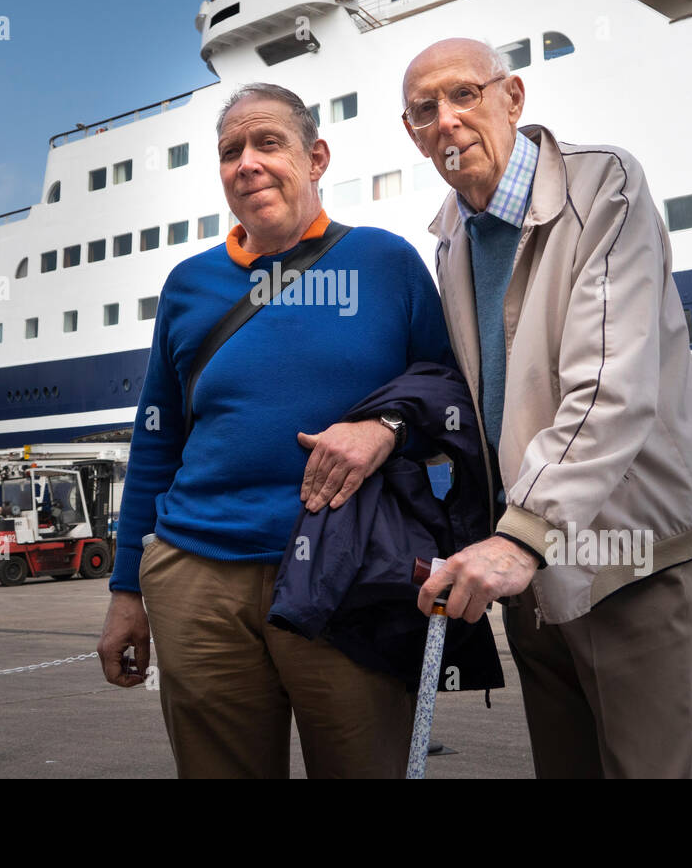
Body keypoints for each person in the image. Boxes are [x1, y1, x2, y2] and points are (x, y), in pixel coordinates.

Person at [97, 82, 457, 779]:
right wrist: (125, 591)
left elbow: (448, 404)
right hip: (198, 574)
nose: (248, 163)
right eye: (232, 151)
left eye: (268, 143)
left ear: (316, 156)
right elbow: (156, 443)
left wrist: (386, 428)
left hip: (348, 569)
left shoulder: (387, 264)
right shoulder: (189, 285)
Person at [404, 38, 692, 778]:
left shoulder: (603, 186)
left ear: (512, 99)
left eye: (464, 95)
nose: (446, 120)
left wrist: (524, 533)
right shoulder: (450, 238)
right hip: (529, 564)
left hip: (625, 550)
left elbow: (609, 381)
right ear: (411, 133)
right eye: (425, 109)